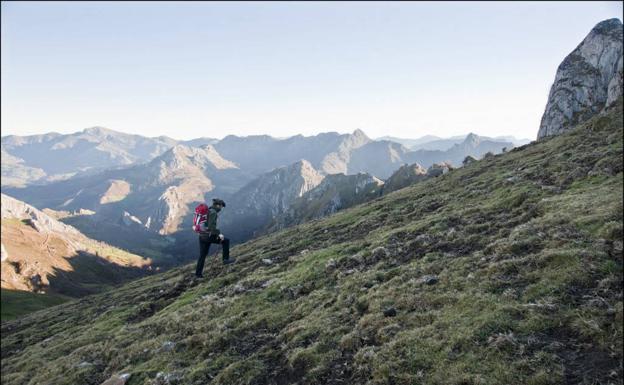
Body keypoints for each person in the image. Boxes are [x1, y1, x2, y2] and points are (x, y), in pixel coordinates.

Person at [195, 198, 235, 279]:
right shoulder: (213, 212)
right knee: (225, 241)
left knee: (202, 255)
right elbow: (211, 226)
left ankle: (198, 274)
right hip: (208, 236)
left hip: (201, 236)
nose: (221, 209)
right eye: (221, 207)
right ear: (217, 205)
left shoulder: (208, 211)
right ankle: (225, 260)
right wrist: (219, 234)